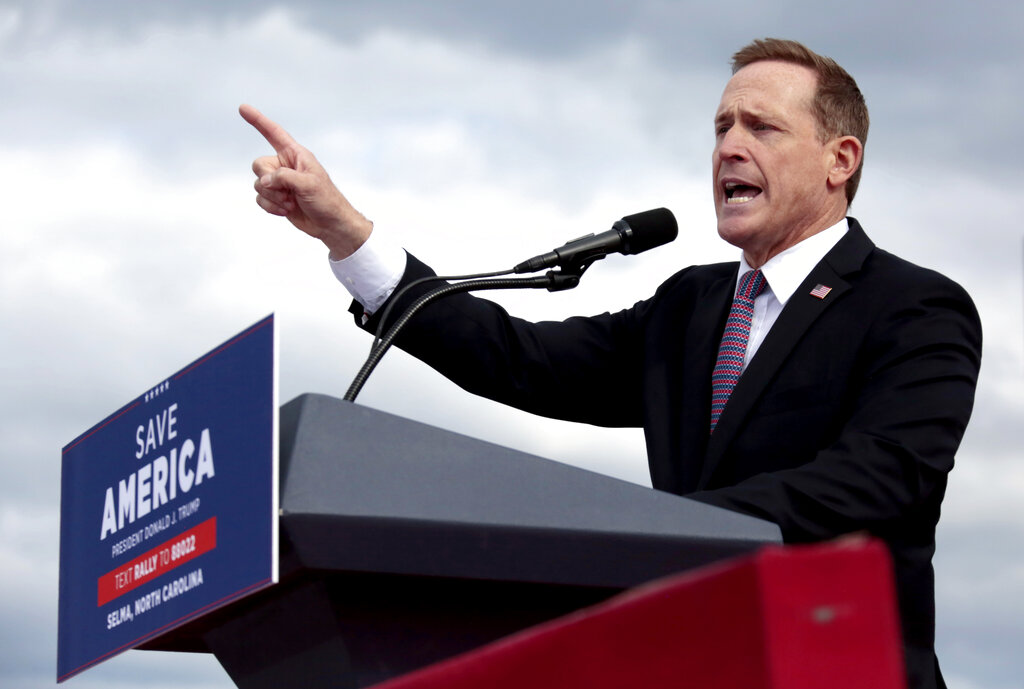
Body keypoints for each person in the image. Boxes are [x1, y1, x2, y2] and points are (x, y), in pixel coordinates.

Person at [241, 38, 981, 689]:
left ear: (839, 160)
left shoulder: (913, 306)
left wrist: (662, 531)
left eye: (761, 127)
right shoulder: (690, 306)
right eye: (721, 127)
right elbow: (519, 358)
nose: (728, 147)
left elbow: (879, 479)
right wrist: (347, 234)